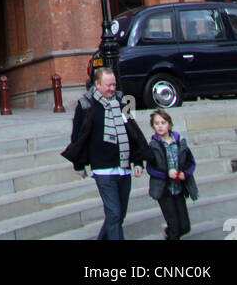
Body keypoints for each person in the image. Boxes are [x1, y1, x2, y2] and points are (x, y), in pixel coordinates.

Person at [61, 67, 148, 240]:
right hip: (103, 170)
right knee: (114, 214)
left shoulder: (122, 102)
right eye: (108, 85)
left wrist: (138, 161)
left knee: (117, 216)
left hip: (123, 168)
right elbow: (78, 136)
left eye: (114, 85)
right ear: (97, 84)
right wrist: (78, 165)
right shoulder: (86, 105)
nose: (112, 89)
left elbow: (133, 133)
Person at [146, 108, 198, 240]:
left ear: (169, 124)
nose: (160, 126)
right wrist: (165, 174)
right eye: (156, 123)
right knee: (175, 228)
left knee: (184, 226)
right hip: (164, 190)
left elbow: (191, 162)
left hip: (179, 189)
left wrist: (184, 174)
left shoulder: (179, 142)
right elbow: (150, 168)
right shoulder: (153, 145)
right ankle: (171, 232)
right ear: (153, 126)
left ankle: (168, 232)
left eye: (163, 123)